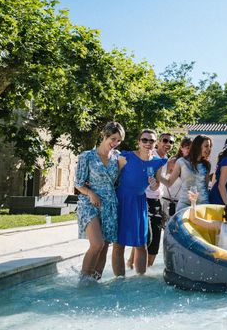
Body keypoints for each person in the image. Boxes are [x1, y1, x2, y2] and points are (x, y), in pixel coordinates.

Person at [112, 130, 171, 276]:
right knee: (119, 244)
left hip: (139, 203)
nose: (147, 143)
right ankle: (119, 281)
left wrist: (154, 184)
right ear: (138, 142)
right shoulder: (126, 157)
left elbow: (156, 185)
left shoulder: (158, 162)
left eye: (151, 141)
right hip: (122, 201)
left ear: (155, 143)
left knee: (141, 244)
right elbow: (113, 177)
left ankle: (140, 279)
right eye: (144, 140)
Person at [74, 121, 124, 283]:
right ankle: (82, 281)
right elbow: (78, 183)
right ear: (104, 136)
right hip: (90, 202)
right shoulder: (86, 156)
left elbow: (116, 180)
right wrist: (91, 193)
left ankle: (95, 282)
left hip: (110, 204)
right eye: (113, 139)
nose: (115, 143)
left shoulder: (118, 157)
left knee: (104, 248)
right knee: (97, 244)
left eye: (118, 141)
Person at [127, 132, 175, 269]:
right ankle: (132, 266)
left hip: (157, 200)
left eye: (171, 142)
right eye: (165, 140)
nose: (168, 144)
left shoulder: (165, 159)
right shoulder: (148, 154)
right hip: (144, 199)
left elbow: (161, 182)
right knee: (145, 237)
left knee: (154, 240)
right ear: (158, 142)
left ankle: (143, 269)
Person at [175, 134, 212, 208]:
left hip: (202, 204)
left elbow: (205, 186)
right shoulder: (182, 161)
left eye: (210, 146)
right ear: (198, 146)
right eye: (206, 146)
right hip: (185, 203)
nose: (209, 149)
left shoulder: (206, 164)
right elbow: (169, 182)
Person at [160, 136, 192, 219]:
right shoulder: (173, 161)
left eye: (192, 148)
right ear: (181, 148)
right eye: (187, 148)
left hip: (182, 202)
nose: (190, 150)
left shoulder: (192, 164)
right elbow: (164, 177)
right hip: (167, 199)